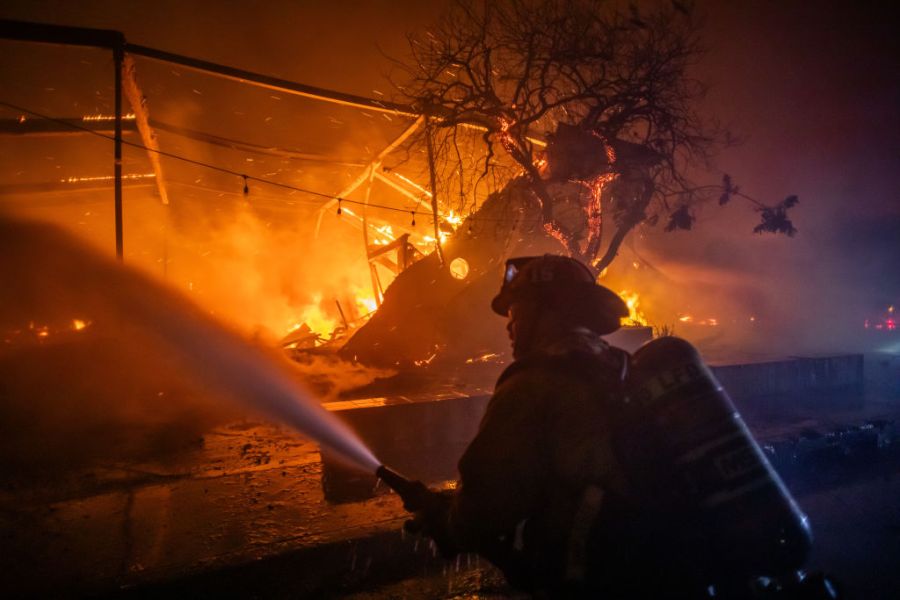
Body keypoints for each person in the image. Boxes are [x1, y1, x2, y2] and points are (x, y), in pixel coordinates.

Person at [404, 254, 827, 599]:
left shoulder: (535, 384)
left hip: (603, 581)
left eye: (516, 311)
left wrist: (447, 521)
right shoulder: (621, 367)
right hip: (672, 568)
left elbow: (485, 506)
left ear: (543, 310)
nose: (510, 326)